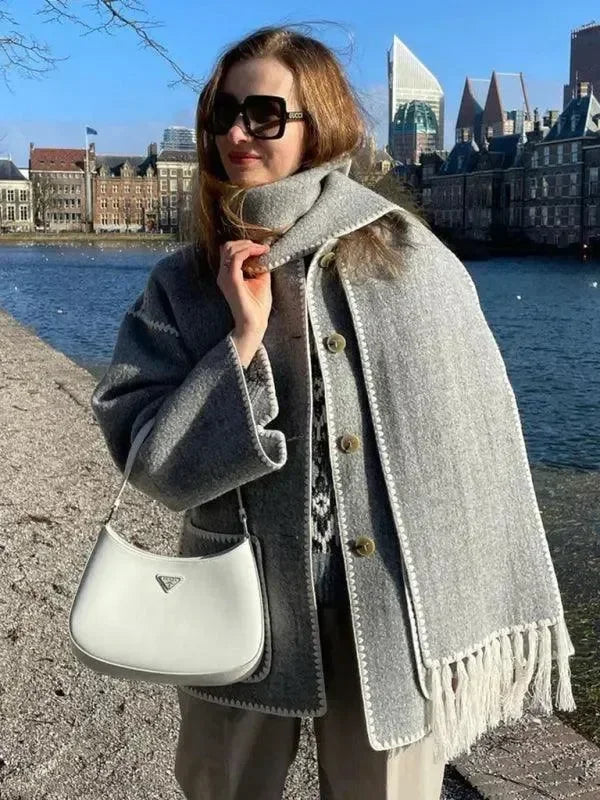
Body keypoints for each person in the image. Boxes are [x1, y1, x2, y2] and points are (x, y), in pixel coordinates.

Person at [90, 25, 576, 800]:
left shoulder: (408, 259)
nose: (237, 133)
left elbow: (472, 449)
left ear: (317, 123)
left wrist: (460, 601)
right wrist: (241, 342)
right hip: (233, 603)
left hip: (387, 614)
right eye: (222, 113)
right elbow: (153, 462)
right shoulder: (183, 283)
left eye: (263, 113)